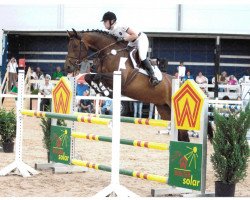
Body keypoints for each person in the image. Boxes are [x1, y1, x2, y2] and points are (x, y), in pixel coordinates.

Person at [101, 11, 159, 86]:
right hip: (131, 42)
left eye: (105, 21)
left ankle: (153, 76)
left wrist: (123, 39)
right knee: (123, 54)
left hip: (140, 39)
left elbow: (134, 35)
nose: (104, 24)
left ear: (112, 21)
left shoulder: (121, 26)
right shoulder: (111, 32)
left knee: (142, 56)